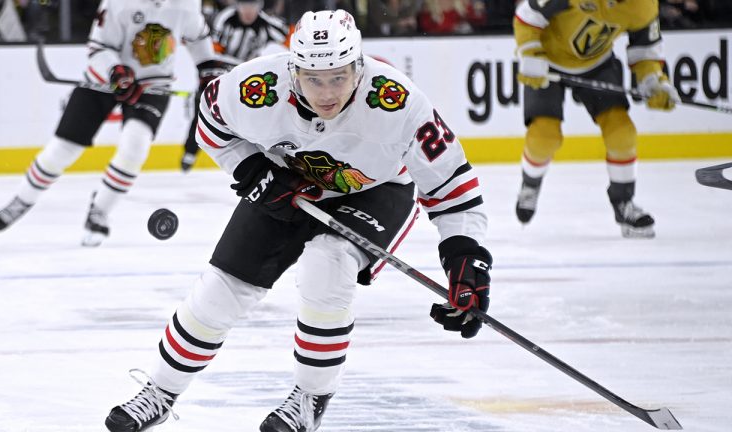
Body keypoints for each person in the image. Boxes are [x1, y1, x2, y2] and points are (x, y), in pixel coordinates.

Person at [105, 9, 492, 432]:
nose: (326, 92)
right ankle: (161, 391)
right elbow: (211, 121)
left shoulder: (398, 102)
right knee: (221, 289)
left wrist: (466, 258)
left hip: (376, 192)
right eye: (313, 78)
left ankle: (309, 399)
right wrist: (252, 169)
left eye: (339, 77)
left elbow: (453, 187)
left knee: (328, 263)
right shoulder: (257, 88)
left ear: (359, 69)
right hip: (284, 182)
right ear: (293, 71)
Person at [0, 0, 220, 247]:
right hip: (101, 81)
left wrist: (207, 72)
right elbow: (98, 48)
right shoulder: (118, 3)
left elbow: (198, 38)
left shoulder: (185, 4)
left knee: (135, 147)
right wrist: (115, 73)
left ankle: (100, 210)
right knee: (62, 150)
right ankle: (23, 199)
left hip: (153, 84)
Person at [513, 0, 679, 238]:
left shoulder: (643, 5)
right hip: (548, 61)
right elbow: (528, 16)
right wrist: (530, 53)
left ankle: (624, 203)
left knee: (622, 132)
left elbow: (645, 51)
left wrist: (653, 81)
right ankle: (530, 183)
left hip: (597, 64)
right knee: (543, 137)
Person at [180, 0, 291, 172]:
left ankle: (254, 158)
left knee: (247, 116)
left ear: (259, 7)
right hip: (216, 75)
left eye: (253, 7)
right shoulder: (224, 19)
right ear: (237, 6)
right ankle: (190, 153)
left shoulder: (267, 25)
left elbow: (292, 37)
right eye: (244, 7)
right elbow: (211, 52)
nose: (248, 12)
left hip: (245, 81)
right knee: (202, 111)